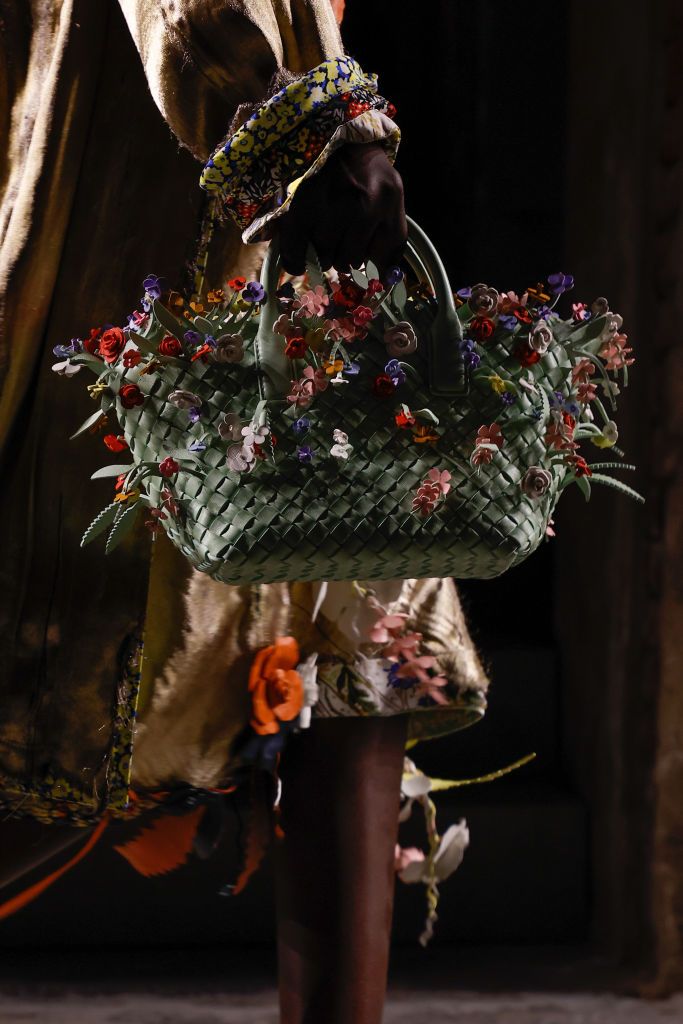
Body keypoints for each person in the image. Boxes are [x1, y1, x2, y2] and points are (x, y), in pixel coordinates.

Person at [0, 4, 488, 1022]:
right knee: (76, 657)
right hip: (159, 188)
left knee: (357, 654)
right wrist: (296, 130)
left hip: (280, 223)